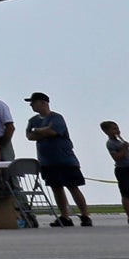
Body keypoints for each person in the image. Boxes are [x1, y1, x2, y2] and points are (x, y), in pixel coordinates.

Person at [24, 93, 93, 227]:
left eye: (34, 102)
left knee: (73, 187)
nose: (31, 105)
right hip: (47, 161)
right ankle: (64, 217)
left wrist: (38, 131)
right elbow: (29, 135)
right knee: (56, 188)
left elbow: (53, 131)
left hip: (65, 160)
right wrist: (43, 130)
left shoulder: (57, 118)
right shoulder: (33, 120)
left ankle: (85, 216)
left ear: (44, 103)